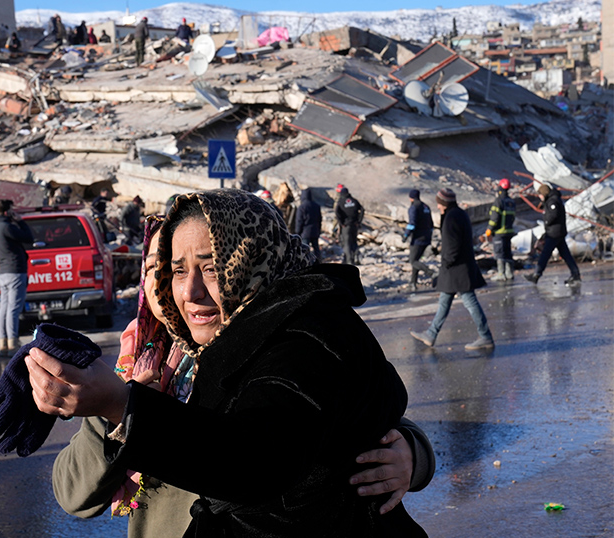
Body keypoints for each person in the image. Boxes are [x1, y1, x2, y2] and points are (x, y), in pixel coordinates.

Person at [28, 189, 429, 536]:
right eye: (170, 269)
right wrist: (110, 411)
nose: (188, 290)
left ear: (248, 265)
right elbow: (73, 496)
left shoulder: (287, 335)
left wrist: (412, 453)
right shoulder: (138, 363)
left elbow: (305, 426)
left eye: (213, 268)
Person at [410, 188, 494, 351]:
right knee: (445, 300)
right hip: (459, 266)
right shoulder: (458, 214)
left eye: (439, 204)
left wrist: (446, 264)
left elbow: (453, 245)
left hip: (457, 268)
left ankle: (485, 336)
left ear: (443, 203)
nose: (438, 207)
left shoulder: (452, 217)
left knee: (469, 300)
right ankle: (431, 334)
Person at [0, 199, 35, 357]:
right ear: (7, 212)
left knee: (4, 308)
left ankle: (3, 343)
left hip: (3, 272)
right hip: (16, 270)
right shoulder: (7, 227)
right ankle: (13, 342)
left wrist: (2, 259)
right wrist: (20, 222)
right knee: (13, 309)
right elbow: (28, 238)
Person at [524, 183, 581, 286]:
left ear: (544, 193)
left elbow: (553, 214)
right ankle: (575, 274)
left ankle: (536, 275)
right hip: (557, 232)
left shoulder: (552, 201)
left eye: (540, 194)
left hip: (554, 233)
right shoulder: (553, 199)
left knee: (545, 254)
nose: (540, 197)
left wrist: (546, 222)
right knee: (565, 254)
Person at [484, 178, 516, 282]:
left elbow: (494, 218)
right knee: (507, 252)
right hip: (509, 232)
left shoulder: (498, 202)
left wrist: (489, 229)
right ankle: (509, 273)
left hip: (499, 232)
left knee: (499, 253)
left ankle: (501, 274)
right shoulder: (511, 202)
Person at [404, 189, 436, 292]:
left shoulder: (414, 207)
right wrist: (429, 235)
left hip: (417, 238)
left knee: (413, 261)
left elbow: (412, 223)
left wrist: (406, 235)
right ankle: (413, 283)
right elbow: (431, 224)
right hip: (426, 237)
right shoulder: (426, 207)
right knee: (416, 260)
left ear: (410, 198)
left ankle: (431, 273)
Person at [335, 184, 364, 265]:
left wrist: (341, 223)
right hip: (354, 225)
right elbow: (362, 209)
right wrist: (358, 221)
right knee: (354, 242)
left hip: (346, 226)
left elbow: (337, 212)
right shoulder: (354, 201)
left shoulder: (341, 202)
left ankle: (349, 261)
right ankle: (357, 258)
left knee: (347, 244)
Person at [295, 188, 322, 261]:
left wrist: (297, 232)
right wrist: (319, 230)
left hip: (305, 233)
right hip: (315, 231)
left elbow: (299, 221)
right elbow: (319, 219)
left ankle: (307, 264)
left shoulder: (302, 207)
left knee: (305, 250)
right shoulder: (316, 206)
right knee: (316, 249)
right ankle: (319, 262)